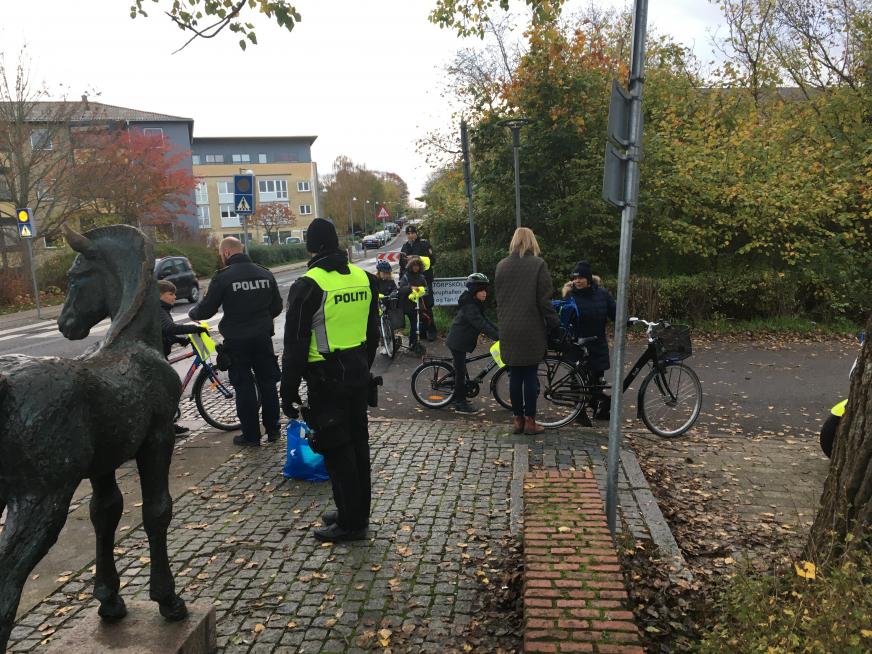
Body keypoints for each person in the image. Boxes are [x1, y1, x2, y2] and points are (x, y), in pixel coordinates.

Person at [280, 218, 380, 543]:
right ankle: (354, 511)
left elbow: (294, 346)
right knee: (358, 446)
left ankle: (351, 525)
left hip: (325, 379)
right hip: (356, 374)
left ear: (311, 246)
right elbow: (372, 333)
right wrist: (362, 367)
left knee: (338, 451)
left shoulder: (309, 285)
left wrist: (288, 390)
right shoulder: (364, 279)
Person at [189, 237, 283, 447]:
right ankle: (274, 429)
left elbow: (207, 309)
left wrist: (192, 312)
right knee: (268, 384)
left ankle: (251, 436)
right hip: (262, 338)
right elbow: (277, 306)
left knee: (244, 387)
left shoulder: (223, 277)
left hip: (237, 341)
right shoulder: (265, 273)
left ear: (227, 253)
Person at [495, 227, 560, 435]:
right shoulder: (538, 264)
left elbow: (500, 299)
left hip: (508, 328)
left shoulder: (501, 266)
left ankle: (517, 421)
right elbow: (544, 300)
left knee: (514, 375)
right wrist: (554, 324)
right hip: (531, 328)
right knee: (530, 376)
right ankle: (531, 422)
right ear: (532, 242)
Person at [563, 261, 616, 420]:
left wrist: (627, 321)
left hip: (598, 343)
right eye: (575, 277)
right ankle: (579, 412)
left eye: (581, 277)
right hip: (577, 343)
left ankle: (600, 408)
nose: (577, 280)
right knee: (578, 380)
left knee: (596, 380)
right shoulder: (569, 295)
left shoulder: (603, 294)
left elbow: (614, 313)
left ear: (588, 278)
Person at [158, 280, 209, 436]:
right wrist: (194, 328)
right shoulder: (159, 309)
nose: (174, 297)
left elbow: (163, 332)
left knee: (166, 392)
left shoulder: (162, 308)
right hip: (156, 357)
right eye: (170, 294)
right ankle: (166, 426)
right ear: (159, 295)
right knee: (167, 391)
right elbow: (169, 328)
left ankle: (169, 424)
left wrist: (180, 339)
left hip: (159, 354)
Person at [445, 273, 500, 414]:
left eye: (485, 290)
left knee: (461, 371)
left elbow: (486, 321)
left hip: (462, 340)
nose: (485, 293)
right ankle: (460, 403)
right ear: (474, 291)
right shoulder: (470, 306)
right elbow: (481, 324)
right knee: (460, 373)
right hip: (458, 342)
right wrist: (497, 336)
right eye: (482, 290)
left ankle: (459, 395)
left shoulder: (474, 303)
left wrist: (500, 333)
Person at [399, 224, 436, 341]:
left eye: (412, 233)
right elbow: (402, 265)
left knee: (427, 306)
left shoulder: (424, 244)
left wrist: (415, 257)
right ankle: (420, 332)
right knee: (414, 309)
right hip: (411, 282)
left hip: (424, 280)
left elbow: (432, 260)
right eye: (408, 234)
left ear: (416, 233)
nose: (410, 235)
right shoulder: (404, 247)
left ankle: (431, 331)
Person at [398, 256, 428, 354]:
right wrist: (411, 288)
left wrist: (422, 290)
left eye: (418, 266)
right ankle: (412, 342)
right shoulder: (406, 276)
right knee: (412, 324)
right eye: (414, 265)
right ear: (411, 266)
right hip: (407, 304)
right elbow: (401, 289)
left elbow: (426, 290)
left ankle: (414, 343)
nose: (416, 267)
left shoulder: (421, 277)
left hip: (418, 304)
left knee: (416, 324)